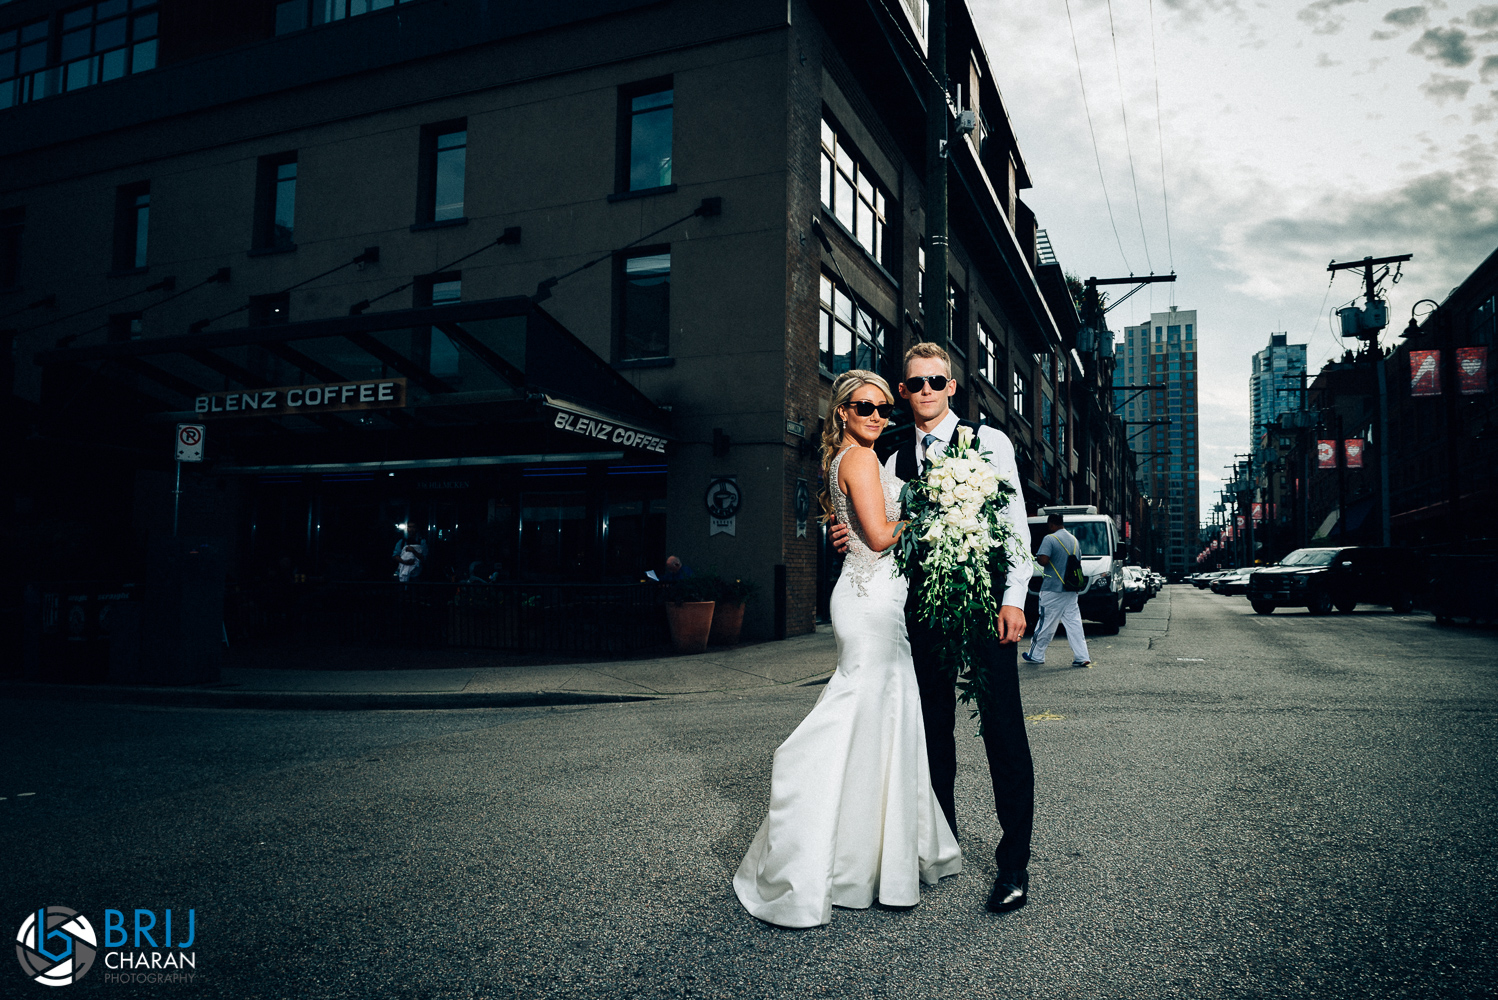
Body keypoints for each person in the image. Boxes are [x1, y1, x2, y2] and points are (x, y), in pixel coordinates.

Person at [734, 370, 961, 928]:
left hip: (872, 595)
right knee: (863, 712)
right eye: (865, 407)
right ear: (842, 411)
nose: (877, 416)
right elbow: (883, 537)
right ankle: (827, 838)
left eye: (885, 408)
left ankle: (864, 855)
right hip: (870, 602)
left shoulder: (849, 459)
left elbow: (859, 528)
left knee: (880, 721)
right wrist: (938, 515)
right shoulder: (858, 460)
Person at [829, 342, 1035, 914]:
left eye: (936, 381)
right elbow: (877, 528)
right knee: (931, 731)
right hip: (922, 612)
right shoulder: (893, 457)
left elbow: (1015, 526)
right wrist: (844, 535)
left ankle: (1013, 864)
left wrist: (1014, 597)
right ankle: (936, 848)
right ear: (903, 391)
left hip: (987, 608)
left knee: (1002, 731)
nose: (926, 391)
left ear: (952, 387)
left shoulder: (988, 443)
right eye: (915, 383)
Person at [1022, 513, 1093, 669]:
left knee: (1045, 623)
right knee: (1074, 624)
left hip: (1052, 588)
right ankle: (1082, 656)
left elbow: (1044, 560)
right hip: (1070, 589)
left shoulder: (1050, 539)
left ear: (1051, 524)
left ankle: (1036, 655)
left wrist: (1037, 557)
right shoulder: (1074, 541)